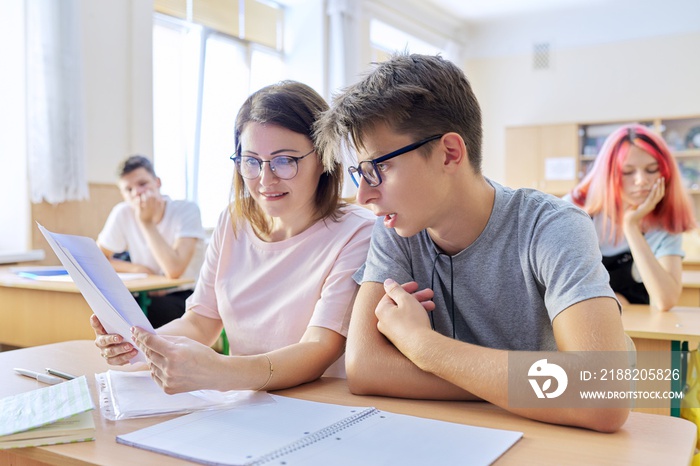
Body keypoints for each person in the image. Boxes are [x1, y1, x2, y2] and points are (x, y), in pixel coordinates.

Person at [314, 53, 630, 432]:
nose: (363, 195)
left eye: (377, 169)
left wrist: (422, 346)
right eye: (359, 173)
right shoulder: (396, 228)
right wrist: (505, 384)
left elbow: (602, 394)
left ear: (450, 152)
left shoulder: (553, 227)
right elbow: (364, 369)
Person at [91, 81, 375, 393]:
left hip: (318, 404)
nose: (265, 180)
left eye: (284, 160)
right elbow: (200, 322)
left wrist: (222, 371)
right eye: (251, 161)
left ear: (323, 157)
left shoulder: (357, 231)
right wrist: (137, 343)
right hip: (242, 402)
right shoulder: (233, 220)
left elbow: (319, 348)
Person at [567, 124, 696, 311]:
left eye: (651, 170)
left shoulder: (665, 221)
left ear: (665, 173)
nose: (641, 180)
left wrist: (631, 226)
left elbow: (665, 300)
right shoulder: (574, 210)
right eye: (627, 172)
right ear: (608, 174)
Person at [97, 155, 207, 328]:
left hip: (185, 296)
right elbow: (97, 258)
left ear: (157, 182)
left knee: (138, 318)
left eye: (142, 184)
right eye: (129, 190)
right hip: (144, 293)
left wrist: (145, 222)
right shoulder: (123, 213)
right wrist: (136, 268)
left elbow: (174, 270)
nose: (137, 193)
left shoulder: (186, 210)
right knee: (107, 310)